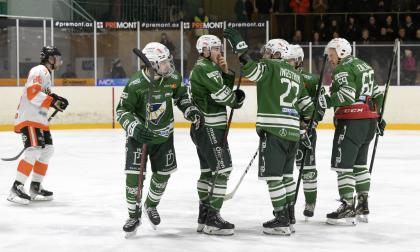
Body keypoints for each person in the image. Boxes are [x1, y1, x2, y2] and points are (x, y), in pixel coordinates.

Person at [224, 28, 314, 235]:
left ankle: (281, 220)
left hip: (274, 131)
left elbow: (250, 69)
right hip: (292, 134)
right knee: (286, 177)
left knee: (274, 178)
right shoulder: (296, 75)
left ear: (275, 54)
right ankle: (290, 217)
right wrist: (305, 122)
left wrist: (240, 50)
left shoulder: (270, 66)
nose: (264, 55)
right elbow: (308, 108)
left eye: (267, 52)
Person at [116, 42, 203, 237]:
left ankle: (150, 205)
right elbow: (122, 110)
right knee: (133, 177)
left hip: (164, 138)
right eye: (164, 62)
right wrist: (136, 128)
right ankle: (133, 215)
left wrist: (190, 110)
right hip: (139, 139)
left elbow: (181, 97)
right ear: (152, 64)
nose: (168, 65)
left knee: (163, 174)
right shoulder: (136, 83)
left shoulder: (172, 78)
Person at [318, 38, 385, 225]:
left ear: (341, 52)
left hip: (351, 121)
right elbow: (378, 95)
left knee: (343, 166)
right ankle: (362, 203)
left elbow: (346, 96)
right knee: (360, 165)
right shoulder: (364, 66)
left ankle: (347, 205)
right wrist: (380, 116)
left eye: (331, 54)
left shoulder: (342, 69)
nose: (330, 59)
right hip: (369, 121)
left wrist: (325, 101)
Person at [189, 34, 245, 236]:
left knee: (208, 172)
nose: (218, 52)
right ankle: (213, 218)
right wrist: (237, 100)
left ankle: (204, 217)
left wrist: (225, 71)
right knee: (223, 170)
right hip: (209, 127)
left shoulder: (209, 67)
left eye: (219, 48)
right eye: (214, 48)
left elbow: (221, 90)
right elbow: (223, 95)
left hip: (206, 128)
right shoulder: (204, 68)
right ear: (204, 50)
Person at [7, 46, 69, 205]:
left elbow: (43, 95)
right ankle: (17, 187)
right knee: (34, 151)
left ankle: (35, 186)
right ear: (50, 58)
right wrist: (53, 101)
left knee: (47, 150)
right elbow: (32, 93)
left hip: (39, 120)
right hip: (29, 118)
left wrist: (54, 99)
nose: (59, 61)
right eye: (57, 57)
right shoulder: (39, 70)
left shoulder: (46, 75)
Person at [288, 44, 324, 219]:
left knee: (308, 168)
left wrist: (312, 122)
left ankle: (310, 202)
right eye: (286, 59)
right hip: (285, 129)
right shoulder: (281, 76)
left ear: (300, 60)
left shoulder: (310, 79)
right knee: (285, 170)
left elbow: (321, 103)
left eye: (291, 60)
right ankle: (285, 206)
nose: (288, 63)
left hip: (305, 130)